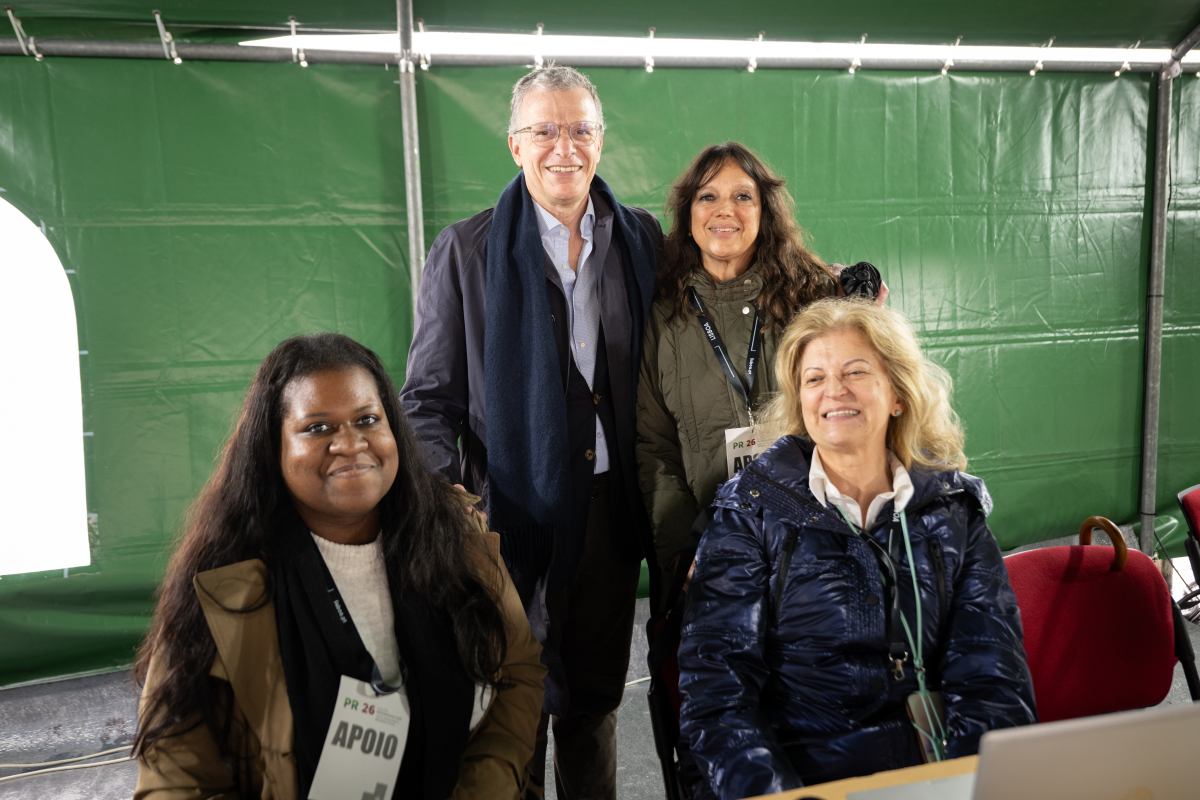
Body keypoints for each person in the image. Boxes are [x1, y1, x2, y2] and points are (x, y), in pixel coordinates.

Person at [133, 333, 546, 800]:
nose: (350, 444)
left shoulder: (458, 537)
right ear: (274, 449)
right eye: (318, 428)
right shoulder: (221, 585)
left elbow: (518, 673)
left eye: (367, 419)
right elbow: (174, 779)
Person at [399, 66, 662, 800]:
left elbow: (731, 281)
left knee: (594, 708)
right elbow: (425, 400)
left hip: (611, 521)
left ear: (601, 141)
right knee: (515, 715)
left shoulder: (639, 237)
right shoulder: (467, 251)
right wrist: (448, 504)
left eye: (580, 129)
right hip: (507, 529)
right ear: (515, 145)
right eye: (545, 129)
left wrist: (819, 281)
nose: (564, 147)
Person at [677, 299, 1037, 799]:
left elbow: (992, 681)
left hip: (930, 777)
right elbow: (717, 697)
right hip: (797, 782)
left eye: (855, 371)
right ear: (800, 402)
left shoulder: (954, 511)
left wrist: (966, 787)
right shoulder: (749, 513)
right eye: (815, 378)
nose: (834, 391)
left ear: (897, 393)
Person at [635, 142, 839, 593]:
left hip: (812, 546)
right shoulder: (663, 318)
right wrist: (682, 554)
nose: (724, 209)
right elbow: (654, 450)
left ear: (765, 212)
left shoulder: (812, 300)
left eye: (743, 196)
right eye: (708, 196)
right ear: (688, 217)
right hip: (708, 552)